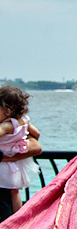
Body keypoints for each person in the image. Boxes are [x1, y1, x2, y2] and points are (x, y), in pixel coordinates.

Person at [0, 86, 41, 215]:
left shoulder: (6, 125)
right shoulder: (24, 121)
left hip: (3, 163)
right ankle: (16, 218)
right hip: (15, 164)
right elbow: (37, 134)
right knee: (15, 191)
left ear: (6, 111)